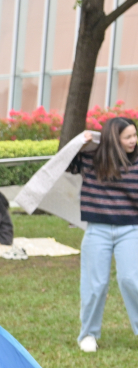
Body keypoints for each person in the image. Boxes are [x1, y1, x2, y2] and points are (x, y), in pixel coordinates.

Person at [70, 116, 138, 353]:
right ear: (114, 139)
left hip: (130, 229)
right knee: (94, 284)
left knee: (131, 279)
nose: (134, 140)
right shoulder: (91, 160)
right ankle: (88, 334)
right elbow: (66, 164)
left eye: (134, 135)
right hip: (97, 230)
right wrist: (81, 143)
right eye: (128, 136)